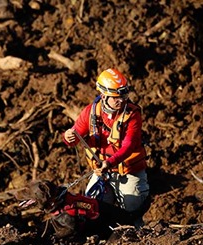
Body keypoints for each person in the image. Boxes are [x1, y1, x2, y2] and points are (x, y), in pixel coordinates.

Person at [63, 68, 149, 227]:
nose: (121, 101)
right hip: (101, 173)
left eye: (123, 96)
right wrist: (68, 137)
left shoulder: (133, 114)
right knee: (92, 212)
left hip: (128, 172)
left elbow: (129, 146)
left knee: (132, 215)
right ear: (103, 96)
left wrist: (110, 162)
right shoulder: (90, 112)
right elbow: (75, 136)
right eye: (116, 98)